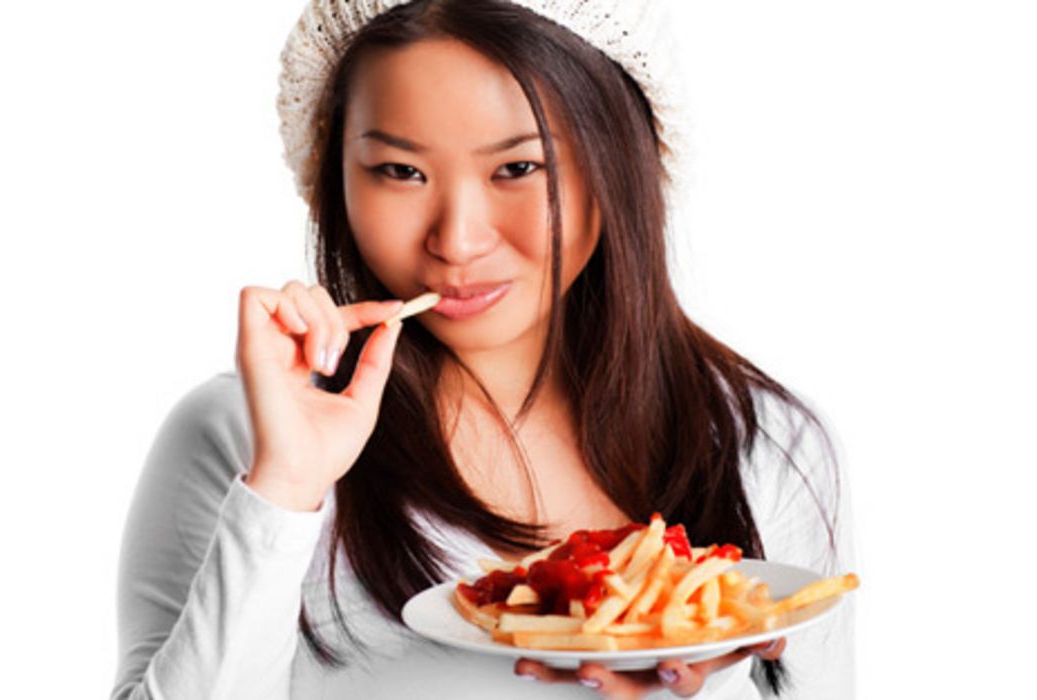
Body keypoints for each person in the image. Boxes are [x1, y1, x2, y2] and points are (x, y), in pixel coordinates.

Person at [112, 0, 855, 698]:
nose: (456, 240)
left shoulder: (766, 442)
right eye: (399, 171)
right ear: (333, 175)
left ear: (621, 163)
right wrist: (283, 493)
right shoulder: (242, 435)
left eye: (518, 168)